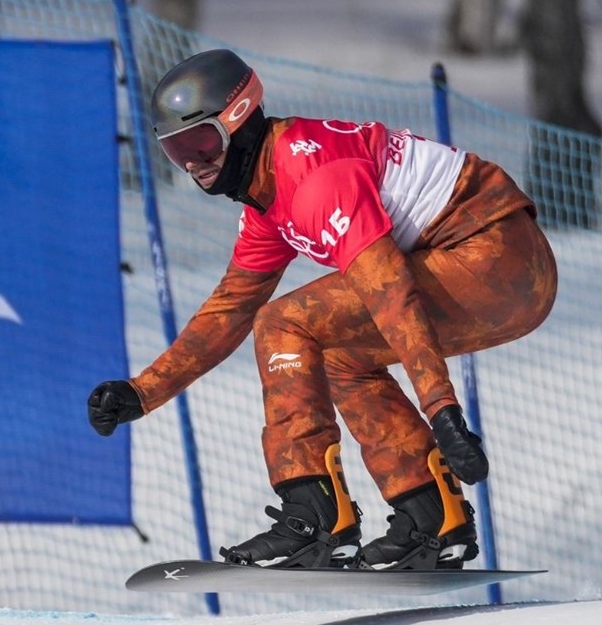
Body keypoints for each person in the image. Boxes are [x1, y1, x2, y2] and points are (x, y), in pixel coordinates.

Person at [87, 49, 557, 570]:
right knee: (337, 355)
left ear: (240, 122)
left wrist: (443, 411)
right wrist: (142, 392)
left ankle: (312, 519)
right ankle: (432, 516)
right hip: (507, 269)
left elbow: (391, 295)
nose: (194, 163)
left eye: (201, 142)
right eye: (177, 151)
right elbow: (228, 311)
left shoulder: (314, 177)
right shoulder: (267, 199)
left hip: (495, 257)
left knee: (285, 322)